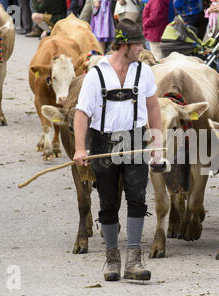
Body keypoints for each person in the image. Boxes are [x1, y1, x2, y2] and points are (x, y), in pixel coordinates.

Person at [73, 19, 162, 282]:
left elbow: (153, 107)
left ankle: (134, 260)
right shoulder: (96, 74)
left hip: (135, 140)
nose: (142, 47)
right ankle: (112, 260)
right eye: (137, 43)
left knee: (138, 198)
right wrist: (80, 148)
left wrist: (156, 143)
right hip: (104, 142)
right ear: (123, 44)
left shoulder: (143, 72)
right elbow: (81, 114)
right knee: (108, 202)